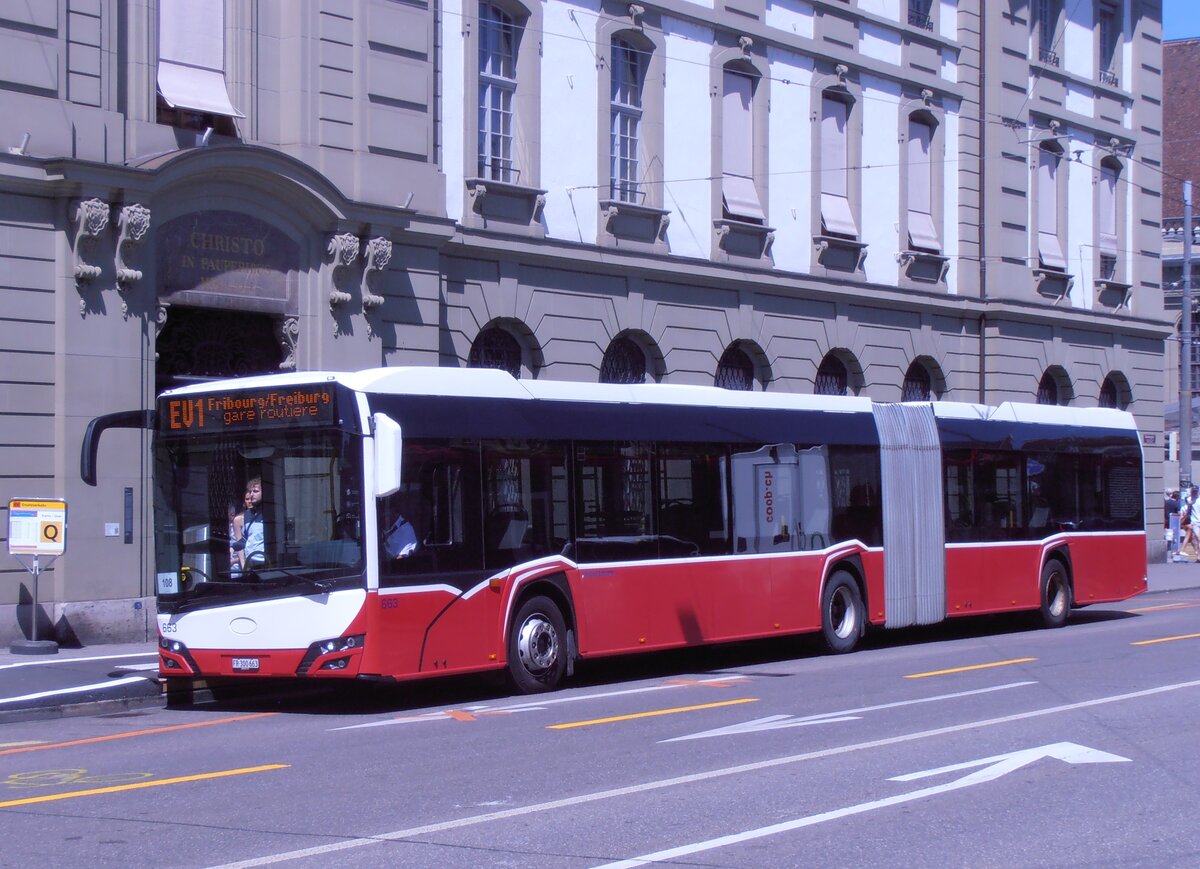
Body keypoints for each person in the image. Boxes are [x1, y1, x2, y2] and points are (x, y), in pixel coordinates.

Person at [230, 477, 265, 570]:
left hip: (265, 562)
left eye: (255, 491)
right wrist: (233, 548)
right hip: (251, 563)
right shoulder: (247, 515)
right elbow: (246, 538)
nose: (252, 494)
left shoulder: (270, 513)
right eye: (250, 491)